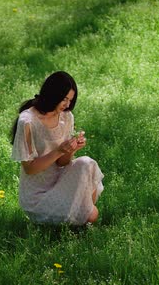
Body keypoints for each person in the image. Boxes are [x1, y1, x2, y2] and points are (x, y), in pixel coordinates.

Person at [10, 71, 104, 225]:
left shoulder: (66, 117)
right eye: (64, 99)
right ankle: (80, 217)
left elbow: (62, 163)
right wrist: (59, 150)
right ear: (52, 94)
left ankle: (81, 215)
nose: (67, 105)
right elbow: (30, 169)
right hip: (37, 197)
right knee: (91, 215)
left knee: (87, 163)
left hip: (60, 181)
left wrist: (71, 149)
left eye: (70, 100)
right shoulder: (27, 121)